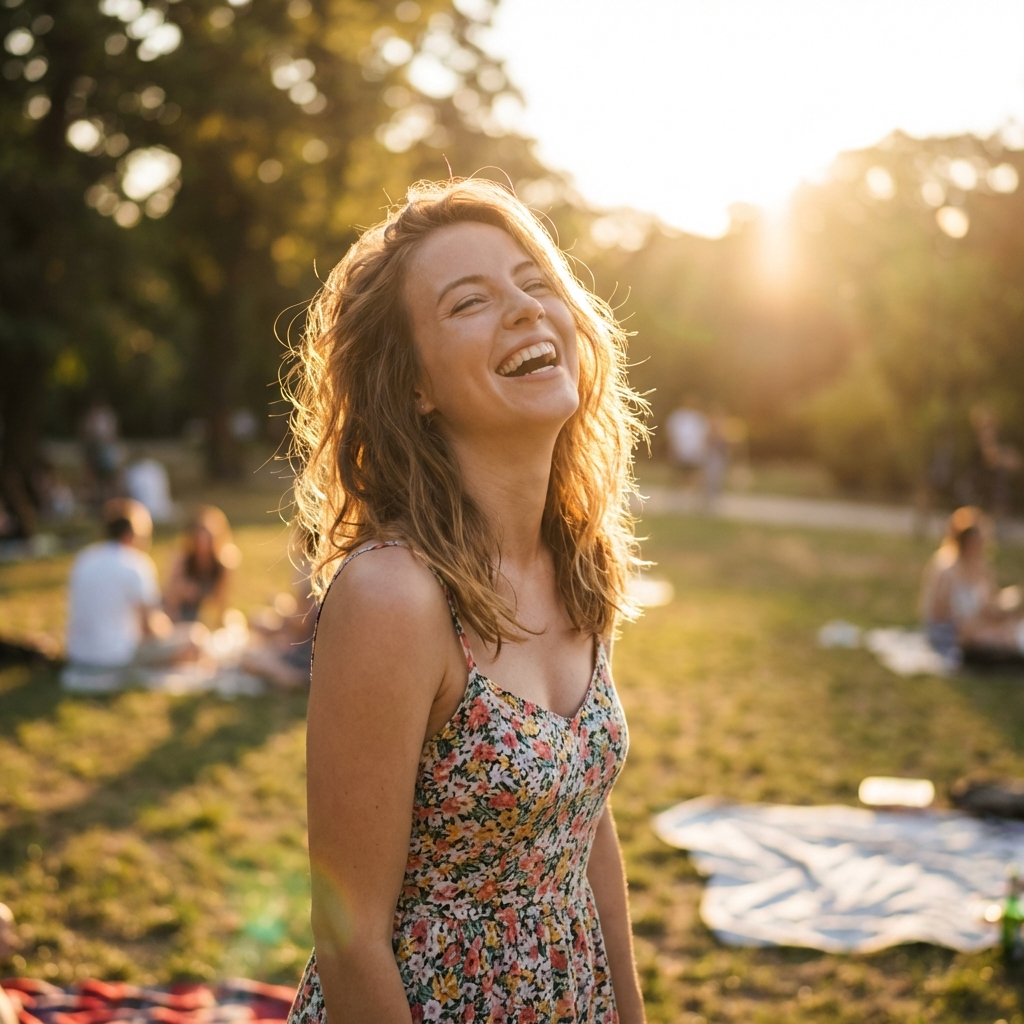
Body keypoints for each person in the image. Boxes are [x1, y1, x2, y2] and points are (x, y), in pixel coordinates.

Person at [286, 178, 648, 1023]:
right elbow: (349, 937)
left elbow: (584, 830)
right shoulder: (393, 597)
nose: (525, 309)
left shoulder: (574, 562)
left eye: (534, 282)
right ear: (416, 385)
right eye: (470, 302)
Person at [63, 498, 176, 689]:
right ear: (132, 535)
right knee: (194, 640)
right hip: (116, 659)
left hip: (78, 656)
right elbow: (152, 628)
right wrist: (171, 630)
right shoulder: (135, 564)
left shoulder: (83, 559)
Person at [920, 506, 1024, 662]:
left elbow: (991, 603)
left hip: (979, 625)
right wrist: (972, 624)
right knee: (987, 636)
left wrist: (1011, 601)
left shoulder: (983, 568)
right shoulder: (946, 567)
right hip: (951, 630)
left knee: (1014, 626)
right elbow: (938, 613)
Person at [164, 506, 240, 624]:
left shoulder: (223, 564)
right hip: (181, 612)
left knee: (235, 619)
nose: (203, 545)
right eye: (198, 539)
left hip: (202, 614)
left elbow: (222, 601)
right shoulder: (183, 559)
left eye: (208, 539)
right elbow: (171, 595)